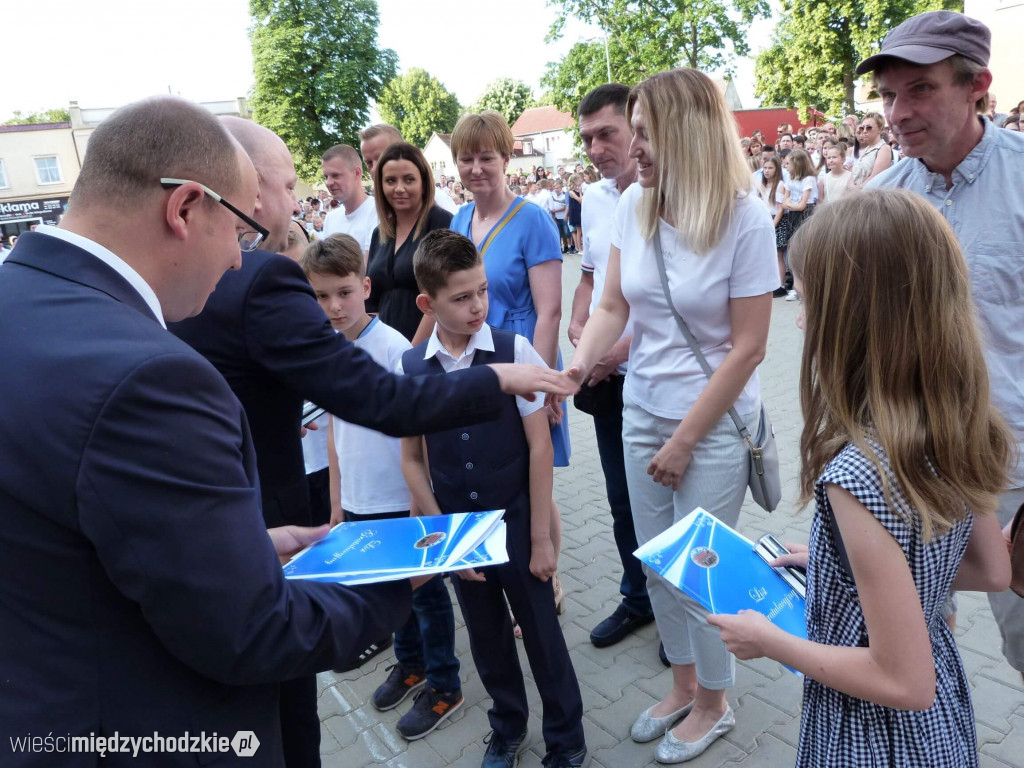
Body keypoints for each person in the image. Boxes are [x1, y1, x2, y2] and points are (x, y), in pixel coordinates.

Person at [0, 96, 418, 768]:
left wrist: (239, 546)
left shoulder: (19, 298)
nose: (237, 261)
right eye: (242, 232)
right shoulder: (150, 377)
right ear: (185, 208)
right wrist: (397, 580)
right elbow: (251, 632)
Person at [167, 118, 573, 767]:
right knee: (457, 633)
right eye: (275, 187)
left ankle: (522, 719)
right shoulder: (254, 286)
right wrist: (493, 381)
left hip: (484, 520)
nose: (283, 205)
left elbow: (503, 441)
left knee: (502, 629)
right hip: (266, 550)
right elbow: (388, 408)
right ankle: (461, 694)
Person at [710, 189, 1013, 768]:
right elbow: (991, 569)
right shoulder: (955, 418)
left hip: (872, 737)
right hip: (940, 724)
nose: (800, 319)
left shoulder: (857, 475)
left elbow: (902, 681)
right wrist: (832, 565)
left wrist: (769, 641)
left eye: (808, 301)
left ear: (854, 318)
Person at [564, 69, 777, 763]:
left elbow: (748, 350)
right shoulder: (635, 206)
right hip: (641, 412)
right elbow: (611, 307)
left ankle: (717, 702)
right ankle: (683, 685)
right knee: (656, 565)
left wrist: (685, 440)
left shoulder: (744, 217)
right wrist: (574, 370)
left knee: (699, 573)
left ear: (686, 132)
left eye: (646, 132)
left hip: (709, 427)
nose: (636, 148)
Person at [859, 8, 1024, 684]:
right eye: (889, 94)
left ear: (977, 85)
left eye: (919, 89)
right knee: (918, 649)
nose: (897, 112)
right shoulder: (880, 202)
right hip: (918, 466)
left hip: (1016, 473)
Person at [401, 230, 588, 768]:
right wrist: (442, 538)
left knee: (542, 635)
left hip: (516, 518)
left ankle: (567, 736)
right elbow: (412, 459)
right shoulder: (414, 369)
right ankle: (507, 727)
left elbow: (538, 448)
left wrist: (540, 538)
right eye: (461, 297)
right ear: (427, 303)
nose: (478, 305)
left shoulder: (514, 350)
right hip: (461, 529)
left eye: (481, 290)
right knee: (485, 637)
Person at [299, 234, 464, 742]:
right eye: (322, 295)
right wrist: (335, 508)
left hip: (399, 500)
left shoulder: (393, 349)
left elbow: (418, 436)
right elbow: (333, 434)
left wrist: (419, 504)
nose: (334, 306)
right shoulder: (327, 352)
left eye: (344, 292)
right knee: (390, 597)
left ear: (366, 287)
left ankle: (444, 684)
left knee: (427, 597)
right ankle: (409, 663)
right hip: (357, 501)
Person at [568, 83, 655, 650]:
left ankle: (687, 619)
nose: (597, 148)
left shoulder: (673, 194)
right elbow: (593, 280)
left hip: (657, 380)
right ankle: (639, 599)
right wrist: (579, 334)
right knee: (622, 499)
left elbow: (681, 306)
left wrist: (615, 351)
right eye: (587, 139)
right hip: (606, 381)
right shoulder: (597, 199)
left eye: (608, 134)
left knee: (666, 505)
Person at [449, 110, 570, 467]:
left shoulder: (532, 220)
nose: (476, 168)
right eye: (466, 159)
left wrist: (544, 385)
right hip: (476, 357)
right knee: (488, 471)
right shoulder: (458, 220)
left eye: (486, 157)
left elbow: (550, 311)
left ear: (505, 158)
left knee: (533, 478)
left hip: (525, 353)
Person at [366, 142, 453, 344]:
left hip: (428, 349)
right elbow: (372, 302)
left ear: (423, 182)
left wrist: (411, 354)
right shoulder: (379, 234)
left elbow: (442, 297)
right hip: (387, 351)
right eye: (390, 180)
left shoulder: (442, 224)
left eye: (409, 179)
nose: (399, 188)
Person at [359, 123, 459, 214]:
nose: (374, 168)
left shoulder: (438, 202)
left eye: (381, 158)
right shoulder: (375, 210)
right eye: (369, 162)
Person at [320, 144, 377, 255]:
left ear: (357, 173)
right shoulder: (330, 218)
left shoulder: (378, 213)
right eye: (326, 177)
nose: (328, 183)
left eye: (336, 175)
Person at [755, 155, 789, 297]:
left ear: (777, 169)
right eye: (765, 168)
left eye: (770, 168)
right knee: (766, 253)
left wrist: (772, 224)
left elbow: (780, 208)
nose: (767, 171)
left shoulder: (780, 185)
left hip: (777, 220)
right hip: (765, 219)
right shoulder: (762, 185)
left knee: (777, 253)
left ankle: (780, 285)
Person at [851, 112, 893, 186]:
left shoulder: (883, 149)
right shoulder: (867, 148)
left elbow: (876, 177)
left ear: (880, 129)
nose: (864, 131)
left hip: (869, 194)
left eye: (869, 127)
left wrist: (857, 190)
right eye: (862, 128)